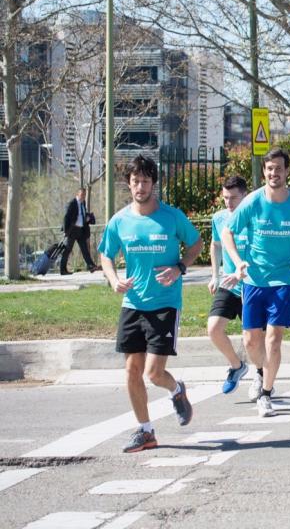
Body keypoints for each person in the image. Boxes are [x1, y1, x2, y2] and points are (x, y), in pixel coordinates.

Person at [98, 155, 202, 453]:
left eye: (145, 181)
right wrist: (113, 278)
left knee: (154, 374)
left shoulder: (171, 217)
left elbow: (194, 244)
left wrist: (179, 267)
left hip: (165, 303)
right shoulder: (120, 220)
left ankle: (176, 390)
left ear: (153, 184)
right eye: (135, 182)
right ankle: (146, 431)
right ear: (128, 184)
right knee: (132, 371)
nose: (140, 187)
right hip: (133, 303)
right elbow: (106, 254)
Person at [222, 148, 290, 418]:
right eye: (269, 169)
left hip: (284, 279)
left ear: (287, 171)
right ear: (264, 172)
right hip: (254, 279)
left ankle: (266, 393)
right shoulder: (253, 202)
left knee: (274, 338)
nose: (273, 173)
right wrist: (238, 260)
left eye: (278, 168)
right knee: (252, 340)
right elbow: (227, 231)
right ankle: (260, 371)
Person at [207, 176, 253, 395]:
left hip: (252, 285)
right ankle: (237, 366)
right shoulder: (219, 218)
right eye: (225, 198)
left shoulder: (254, 218)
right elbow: (215, 246)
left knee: (252, 339)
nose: (229, 202)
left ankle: (262, 378)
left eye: (234, 197)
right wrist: (215, 275)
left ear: (245, 195)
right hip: (229, 284)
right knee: (214, 328)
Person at [60, 188, 99, 275]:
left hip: (80, 230)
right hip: (72, 230)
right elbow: (66, 217)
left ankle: (91, 266)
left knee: (84, 249)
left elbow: (82, 215)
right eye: (82, 195)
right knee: (67, 250)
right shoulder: (72, 203)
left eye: (84, 195)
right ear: (77, 194)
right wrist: (66, 231)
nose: (83, 197)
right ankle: (63, 270)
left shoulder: (83, 203)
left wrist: (87, 218)